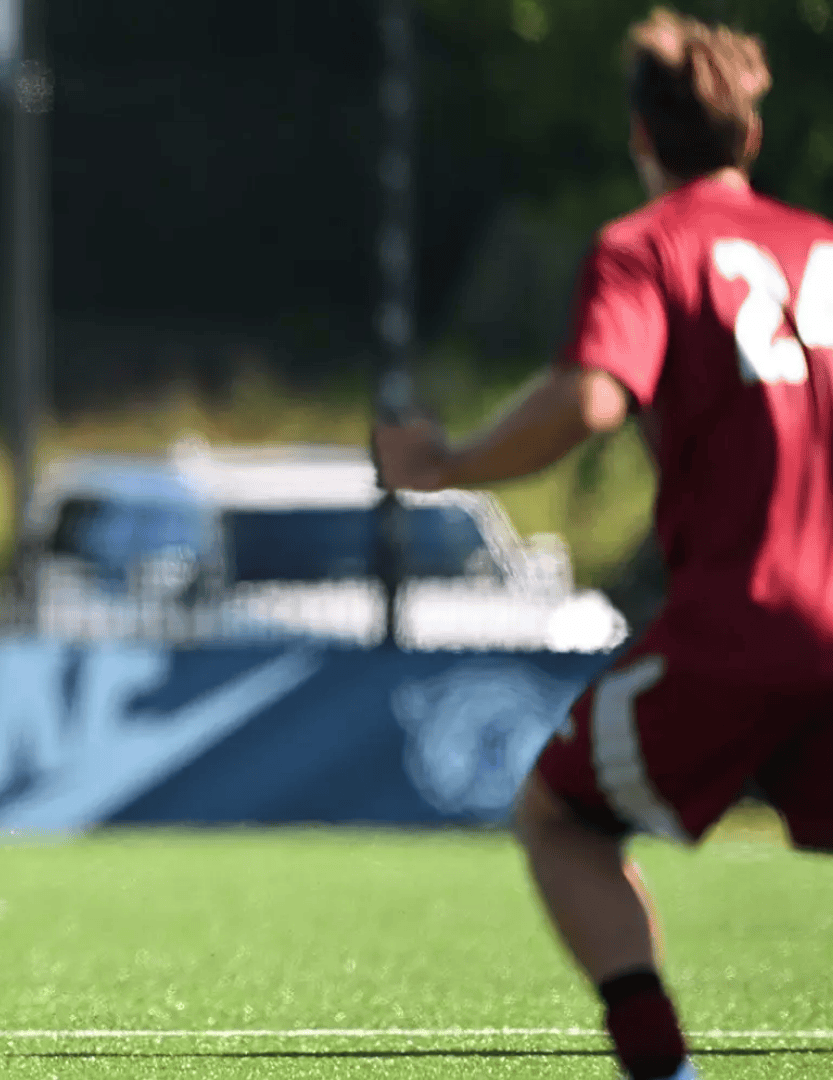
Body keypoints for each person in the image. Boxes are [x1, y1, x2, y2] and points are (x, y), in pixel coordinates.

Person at [376, 10, 832, 1080]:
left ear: (640, 135)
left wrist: (449, 461)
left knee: (559, 817)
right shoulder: (823, 249)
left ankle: (662, 1072)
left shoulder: (648, 247)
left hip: (742, 626)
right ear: (751, 139)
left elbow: (589, 399)